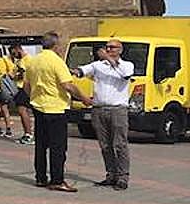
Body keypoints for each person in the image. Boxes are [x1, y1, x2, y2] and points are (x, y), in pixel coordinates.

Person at [23, 32, 91, 192]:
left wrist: (34, 96)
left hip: (38, 107)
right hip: (56, 108)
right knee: (58, 147)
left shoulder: (33, 61)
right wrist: (84, 98)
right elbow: (68, 85)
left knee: (41, 145)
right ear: (55, 45)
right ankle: (57, 180)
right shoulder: (56, 61)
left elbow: (26, 86)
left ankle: (40, 178)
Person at [71, 39, 134, 191]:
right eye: (106, 47)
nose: (108, 49)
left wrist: (108, 59)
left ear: (120, 49)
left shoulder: (127, 65)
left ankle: (122, 177)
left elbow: (125, 76)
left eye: (112, 47)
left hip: (117, 110)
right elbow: (82, 71)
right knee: (105, 145)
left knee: (119, 144)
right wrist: (73, 71)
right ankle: (111, 174)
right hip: (99, 109)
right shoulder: (98, 65)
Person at [9, 44, 35, 144]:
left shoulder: (27, 59)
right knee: (22, 111)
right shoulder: (19, 61)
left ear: (18, 49)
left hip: (25, 88)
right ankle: (27, 133)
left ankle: (28, 134)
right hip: (19, 88)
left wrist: (17, 75)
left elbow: (23, 74)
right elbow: (13, 75)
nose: (14, 55)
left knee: (22, 110)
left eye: (14, 53)